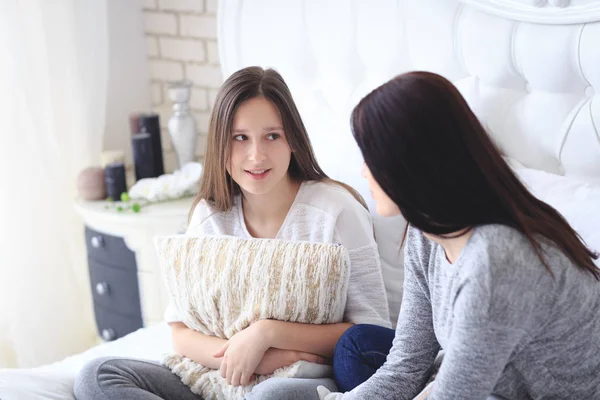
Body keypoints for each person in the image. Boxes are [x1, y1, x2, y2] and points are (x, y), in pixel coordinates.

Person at [73, 66, 391, 400]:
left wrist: (267, 334)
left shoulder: (335, 211)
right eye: (240, 138)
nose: (256, 155)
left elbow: (371, 331)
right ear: (220, 145)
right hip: (216, 375)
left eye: (272, 136)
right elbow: (180, 331)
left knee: (270, 396)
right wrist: (252, 357)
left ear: (293, 140)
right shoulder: (209, 215)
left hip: (298, 379)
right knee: (98, 376)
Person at [320, 71, 600, 400]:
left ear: (409, 161)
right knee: (334, 361)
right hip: (482, 384)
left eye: (372, 156)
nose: (364, 171)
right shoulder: (425, 232)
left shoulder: (497, 258)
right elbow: (406, 366)